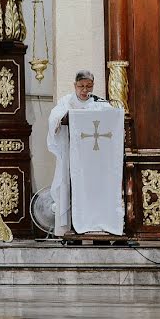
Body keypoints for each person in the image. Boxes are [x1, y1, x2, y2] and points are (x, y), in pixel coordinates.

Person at [46, 70, 110, 236]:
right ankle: (71, 229)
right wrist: (60, 118)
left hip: (93, 158)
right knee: (70, 187)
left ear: (93, 86)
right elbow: (55, 117)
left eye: (88, 86)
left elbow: (111, 118)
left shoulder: (99, 104)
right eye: (81, 86)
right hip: (71, 155)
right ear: (75, 86)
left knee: (93, 190)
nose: (84, 90)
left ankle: (95, 226)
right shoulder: (66, 102)